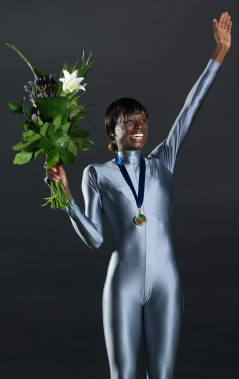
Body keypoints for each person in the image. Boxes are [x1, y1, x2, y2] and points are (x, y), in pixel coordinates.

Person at [44, 12, 231, 379]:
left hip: (167, 281)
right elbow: (96, 239)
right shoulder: (97, 173)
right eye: (130, 121)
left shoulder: (163, 160)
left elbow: (190, 108)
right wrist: (66, 200)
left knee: (163, 375)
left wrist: (220, 51)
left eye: (143, 119)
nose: (140, 126)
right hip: (123, 284)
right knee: (124, 375)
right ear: (113, 132)